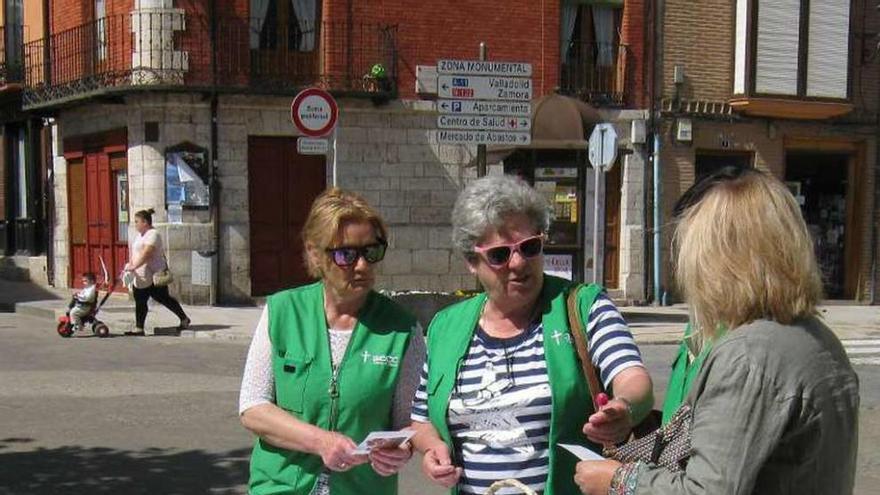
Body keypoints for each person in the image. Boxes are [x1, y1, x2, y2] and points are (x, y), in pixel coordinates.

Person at [574, 167, 860, 495]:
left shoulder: (750, 355)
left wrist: (617, 480)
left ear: (719, 259)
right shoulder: (815, 337)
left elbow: (707, 490)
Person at [410, 174, 654, 495]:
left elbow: (633, 378)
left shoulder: (583, 305)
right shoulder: (446, 326)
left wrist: (624, 407)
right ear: (472, 261)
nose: (518, 262)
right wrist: (432, 450)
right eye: (499, 254)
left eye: (529, 247)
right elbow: (420, 419)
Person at [239, 188, 425, 495]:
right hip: (282, 487)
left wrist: (400, 450)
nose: (362, 266)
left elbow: (410, 424)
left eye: (371, 251)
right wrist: (322, 442)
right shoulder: (282, 312)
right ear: (315, 253)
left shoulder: (402, 329)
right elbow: (253, 407)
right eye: (346, 255)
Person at [123, 208, 190, 336]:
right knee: (140, 300)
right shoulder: (139, 235)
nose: (135, 224)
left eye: (137, 221)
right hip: (141, 275)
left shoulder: (153, 234)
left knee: (163, 298)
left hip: (154, 274)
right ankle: (139, 328)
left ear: (145, 222)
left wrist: (134, 266)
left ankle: (184, 318)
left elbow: (147, 253)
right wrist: (131, 265)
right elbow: (136, 253)